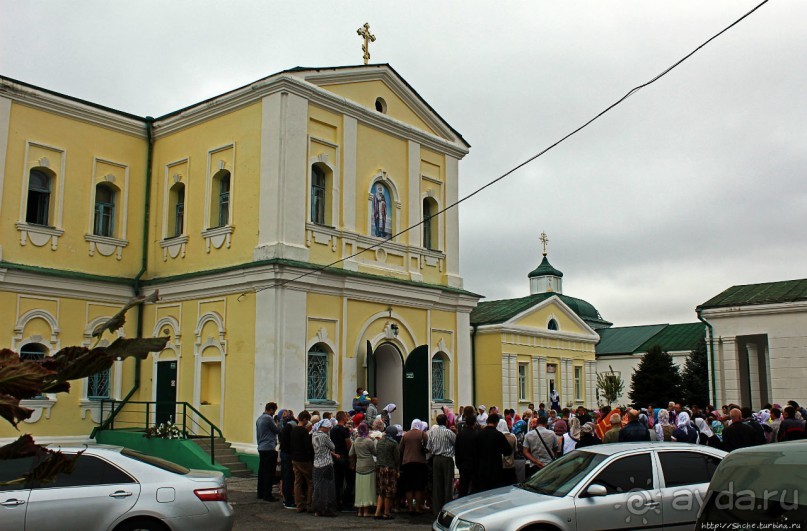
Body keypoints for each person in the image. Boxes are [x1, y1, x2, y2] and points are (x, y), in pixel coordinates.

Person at [474, 414, 513, 492]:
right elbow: (508, 451)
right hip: (496, 469)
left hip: (482, 469)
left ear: (487, 421)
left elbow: (474, 451)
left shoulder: (479, 434)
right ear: (497, 423)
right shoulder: (499, 435)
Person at [427, 413, 456, 515]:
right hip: (447, 459)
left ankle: (436, 509)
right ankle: (447, 509)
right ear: (446, 421)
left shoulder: (432, 432)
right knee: (448, 484)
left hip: (436, 459)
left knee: (437, 484)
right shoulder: (449, 432)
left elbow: (428, 447)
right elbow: (455, 443)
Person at [399, 418, 429, 513]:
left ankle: (410, 507)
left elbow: (400, 448)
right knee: (418, 486)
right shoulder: (422, 434)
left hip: (407, 463)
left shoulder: (406, 434)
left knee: (409, 487)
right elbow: (427, 447)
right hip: (420, 463)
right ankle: (417, 508)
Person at [311, 419, 337, 517]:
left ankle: (317, 509)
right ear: (325, 427)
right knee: (327, 488)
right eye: (329, 428)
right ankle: (326, 509)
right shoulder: (324, 436)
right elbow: (333, 446)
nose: (329, 430)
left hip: (316, 463)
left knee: (317, 487)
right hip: (326, 464)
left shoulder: (314, 435)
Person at [349, 423, 377, 517]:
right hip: (369, 466)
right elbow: (375, 452)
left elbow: (350, 453)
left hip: (359, 466)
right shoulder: (369, 441)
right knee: (368, 489)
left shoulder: (356, 441)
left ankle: (360, 511)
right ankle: (366, 511)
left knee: (360, 489)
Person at [256, 402, 281, 502]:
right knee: (269, 472)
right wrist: (280, 422)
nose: (274, 413)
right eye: (274, 411)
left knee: (262, 471)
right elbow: (277, 430)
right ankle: (268, 494)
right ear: (271, 409)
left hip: (261, 447)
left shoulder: (259, 418)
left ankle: (260, 493)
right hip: (269, 448)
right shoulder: (268, 418)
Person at [374, 425, 400, 520]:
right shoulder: (393, 443)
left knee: (381, 491)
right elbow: (397, 458)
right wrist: (397, 470)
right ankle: (386, 513)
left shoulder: (379, 442)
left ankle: (377, 512)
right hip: (390, 469)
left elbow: (376, 453)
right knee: (389, 491)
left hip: (379, 468)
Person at [290, 411, 314, 513]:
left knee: (297, 482)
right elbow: (307, 446)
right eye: (307, 420)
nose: (307, 422)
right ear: (304, 419)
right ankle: (309, 505)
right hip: (304, 459)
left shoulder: (294, 430)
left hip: (295, 458)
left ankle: (298, 505)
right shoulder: (303, 431)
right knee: (310, 481)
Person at [331, 411, 354, 512]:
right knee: (350, 480)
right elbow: (348, 444)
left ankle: (337, 502)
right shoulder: (344, 430)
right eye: (346, 417)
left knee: (338, 481)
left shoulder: (333, 429)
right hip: (344, 456)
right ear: (343, 418)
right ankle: (347, 502)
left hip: (336, 456)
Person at [454, 412, 478, 497]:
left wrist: (458, 463)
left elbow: (457, 450)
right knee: (474, 487)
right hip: (474, 465)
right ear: (474, 423)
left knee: (463, 486)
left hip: (463, 464)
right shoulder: (476, 434)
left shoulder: (460, 435)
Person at [278, 410, 297, 508]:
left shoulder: (283, 427)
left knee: (285, 477)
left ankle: (286, 499)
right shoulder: (290, 427)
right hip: (288, 454)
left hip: (284, 453)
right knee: (288, 477)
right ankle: (288, 500)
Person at [498, 419, 518, 485]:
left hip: (501, 466)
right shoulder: (513, 436)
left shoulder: (498, 437)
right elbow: (515, 450)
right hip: (511, 465)